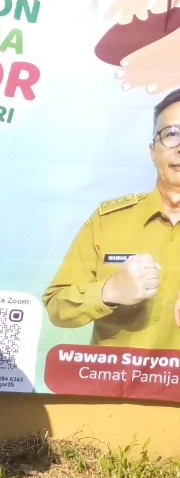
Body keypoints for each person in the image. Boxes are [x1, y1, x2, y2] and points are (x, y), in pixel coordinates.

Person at [42, 88, 180, 348]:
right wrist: (109, 291)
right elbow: (56, 305)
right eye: (172, 134)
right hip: (112, 384)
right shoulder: (109, 220)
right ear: (153, 151)